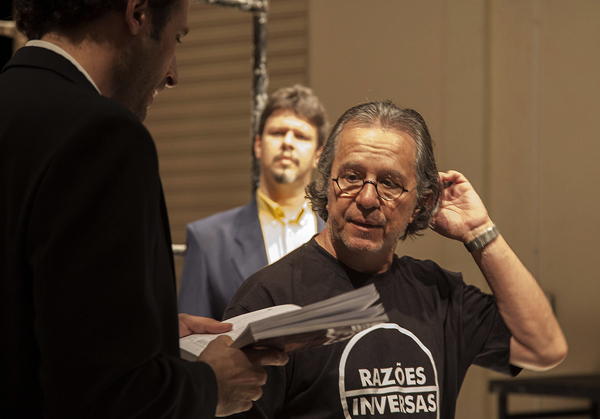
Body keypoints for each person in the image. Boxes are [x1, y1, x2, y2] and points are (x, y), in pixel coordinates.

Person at [0, 1, 287, 418]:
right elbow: (109, 395)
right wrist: (211, 385)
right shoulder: (103, 135)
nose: (173, 73)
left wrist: (145, 336)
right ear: (138, 14)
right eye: (176, 39)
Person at [224, 101, 568, 418]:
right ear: (327, 184)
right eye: (351, 177)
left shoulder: (438, 294)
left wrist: (480, 231)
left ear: (422, 201)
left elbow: (544, 348)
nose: (368, 198)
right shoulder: (271, 297)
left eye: (390, 183)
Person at [178, 85, 328, 320]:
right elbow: (189, 340)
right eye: (278, 133)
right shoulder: (208, 238)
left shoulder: (338, 234)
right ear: (258, 146)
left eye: (301, 136)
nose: (288, 142)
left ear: (318, 155)